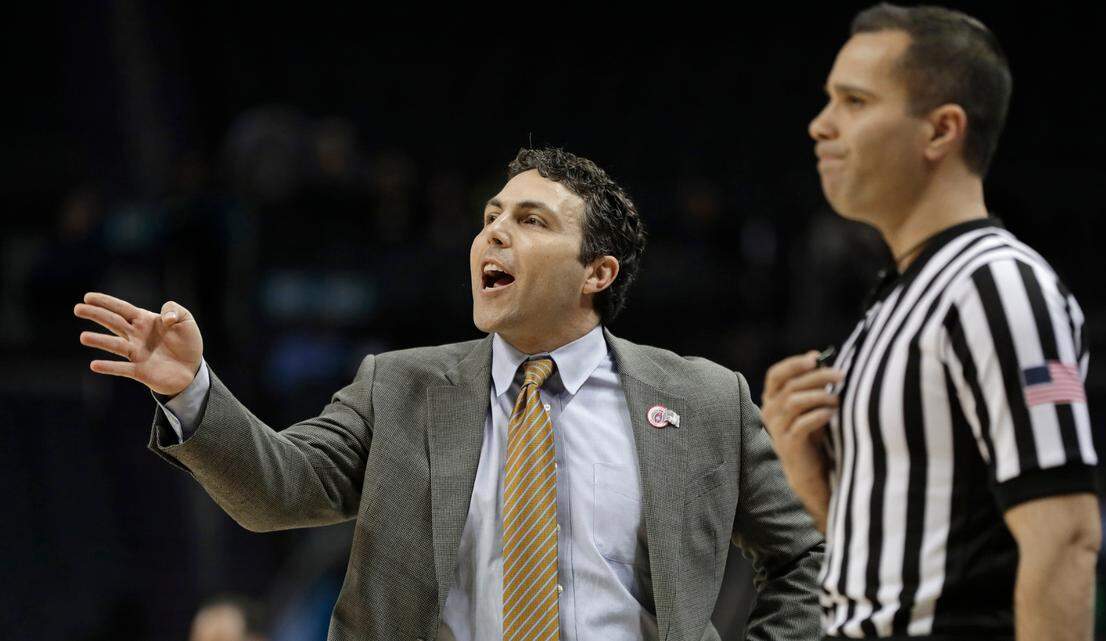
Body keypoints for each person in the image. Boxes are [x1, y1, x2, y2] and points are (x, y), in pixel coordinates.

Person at [75, 147, 824, 641]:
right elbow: (280, 489)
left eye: (529, 221)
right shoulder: (400, 386)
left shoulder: (704, 398)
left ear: (597, 272)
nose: (493, 234)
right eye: (490, 217)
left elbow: (803, 560)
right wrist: (190, 388)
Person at [760, 4, 1100, 641]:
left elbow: (1067, 539)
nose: (820, 125)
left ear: (941, 131)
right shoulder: (894, 302)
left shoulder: (995, 283)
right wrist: (812, 487)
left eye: (854, 102)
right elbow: (899, 581)